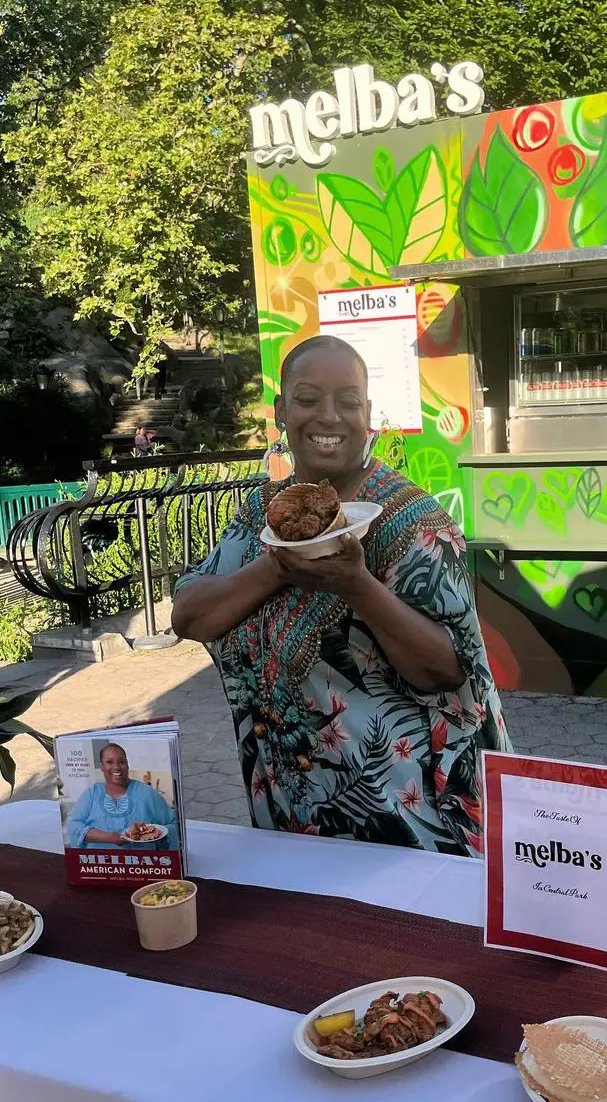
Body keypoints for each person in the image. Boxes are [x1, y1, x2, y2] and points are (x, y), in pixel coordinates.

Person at [171, 334, 509, 854]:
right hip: (286, 818)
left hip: (403, 823)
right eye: (307, 399)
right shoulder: (261, 514)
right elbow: (190, 616)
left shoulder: (410, 521)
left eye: (348, 402)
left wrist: (356, 584)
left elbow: (447, 670)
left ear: (368, 413)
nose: (328, 417)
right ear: (282, 410)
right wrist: (279, 567)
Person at [65, 742, 179, 850]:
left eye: (121, 761)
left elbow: (173, 825)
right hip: (96, 865)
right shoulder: (92, 794)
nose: (117, 767)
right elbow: (73, 826)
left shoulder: (147, 793)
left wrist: (152, 833)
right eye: (110, 762)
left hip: (142, 867)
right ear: (102, 767)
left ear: (127, 764)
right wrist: (109, 838)